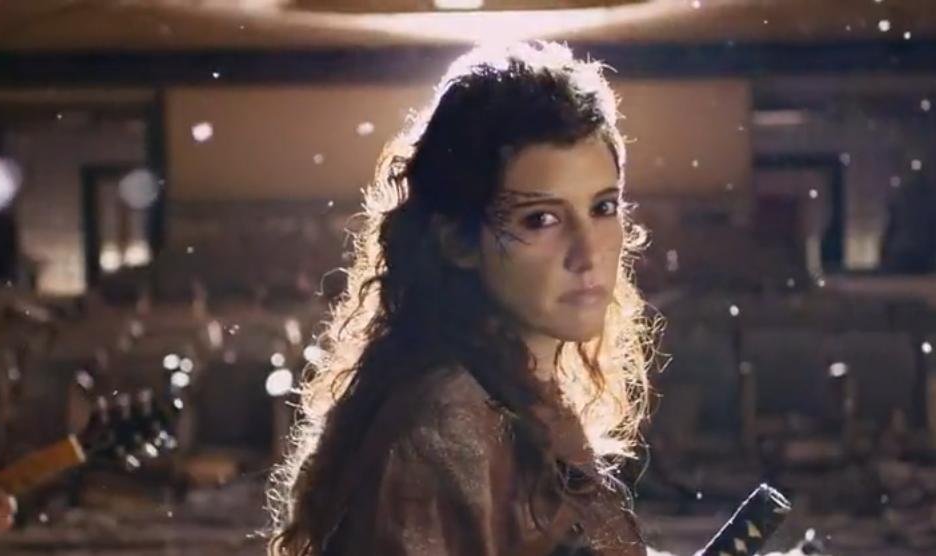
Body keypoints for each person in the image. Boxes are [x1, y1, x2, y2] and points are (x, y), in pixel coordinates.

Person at [267, 40, 655, 556]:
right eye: (540, 219)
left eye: (604, 207)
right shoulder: (445, 423)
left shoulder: (516, 391)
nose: (589, 253)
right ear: (458, 240)